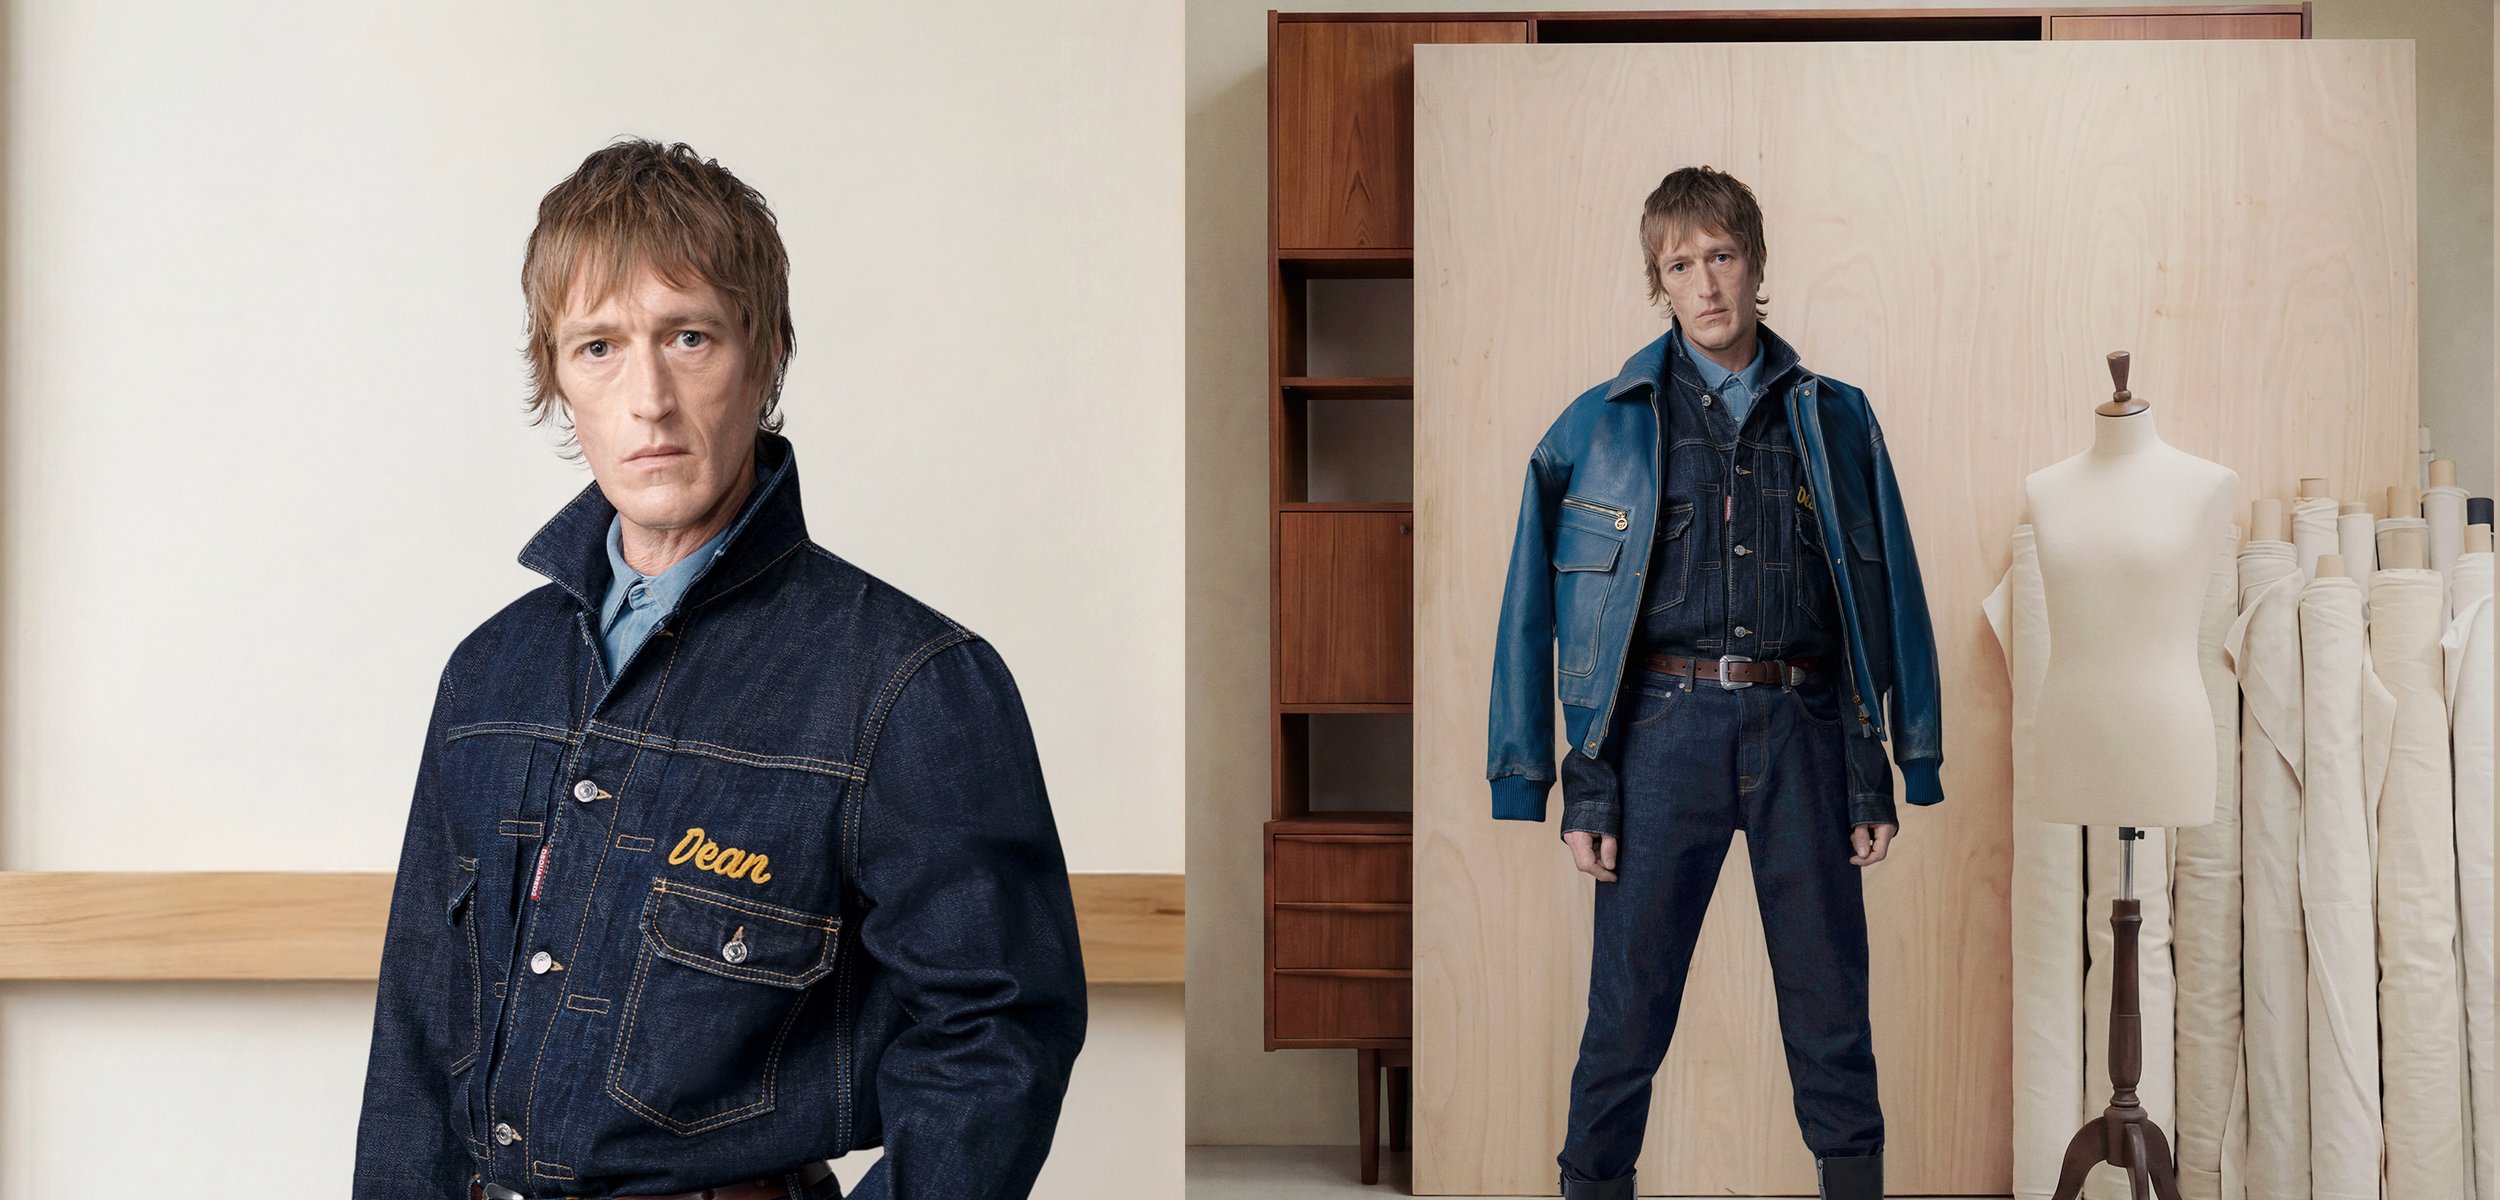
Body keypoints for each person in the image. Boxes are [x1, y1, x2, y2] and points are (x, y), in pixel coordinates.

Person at [351, 138, 1087, 1200]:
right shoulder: (488, 679)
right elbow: (418, 1035)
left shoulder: (911, 684)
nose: (646, 398)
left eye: (687, 337)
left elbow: (997, 1040)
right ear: (555, 378)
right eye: (598, 346)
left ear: (764, 353)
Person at [1484, 166, 1943, 1200]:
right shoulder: (1594, 429)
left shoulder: (1837, 421)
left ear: (1757, 261)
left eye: (1721, 256)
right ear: (1659, 281)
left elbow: (1892, 606)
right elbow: (1530, 615)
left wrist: (1882, 771)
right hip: (1659, 737)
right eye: (1680, 264)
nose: (1705, 284)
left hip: (1804, 730)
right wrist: (1569, 785)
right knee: (1626, 1013)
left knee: (1831, 1010)